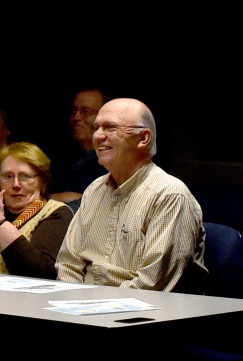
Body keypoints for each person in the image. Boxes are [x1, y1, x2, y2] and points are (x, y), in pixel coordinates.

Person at [55, 98, 206, 291]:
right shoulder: (95, 189)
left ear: (143, 138)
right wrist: (71, 301)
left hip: (144, 314)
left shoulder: (169, 195)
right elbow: (68, 263)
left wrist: (93, 307)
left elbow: (151, 284)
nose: (98, 136)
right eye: (96, 128)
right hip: (85, 308)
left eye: (110, 127)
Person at [0, 142, 74, 279]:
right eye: (8, 176)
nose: (16, 184)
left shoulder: (56, 214)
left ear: (43, 182)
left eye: (25, 176)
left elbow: (40, 272)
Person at [53, 89, 109, 202]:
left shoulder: (115, 164)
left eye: (86, 111)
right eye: (74, 111)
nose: (76, 118)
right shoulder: (62, 161)